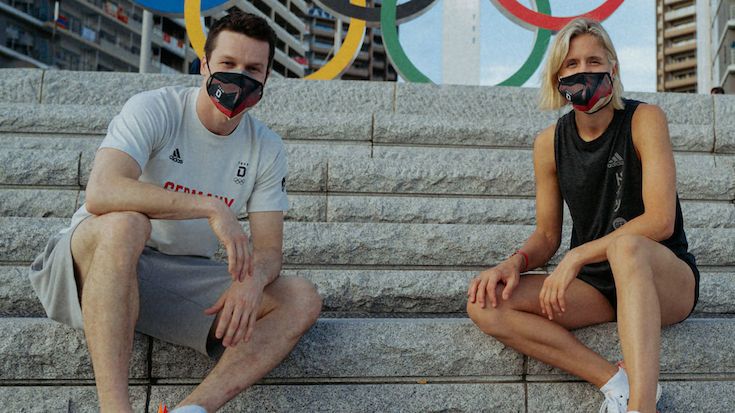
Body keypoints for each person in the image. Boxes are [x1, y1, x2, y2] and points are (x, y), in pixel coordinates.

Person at [29, 11, 322, 413]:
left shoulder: (265, 147)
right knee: (127, 224)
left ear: (268, 75)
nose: (240, 77)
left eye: (253, 68)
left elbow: (270, 250)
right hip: (88, 263)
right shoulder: (156, 108)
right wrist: (210, 206)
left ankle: (192, 409)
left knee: (300, 298)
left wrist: (251, 283)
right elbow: (102, 191)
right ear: (204, 65)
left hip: (173, 278)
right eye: (228, 64)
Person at [466, 18, 698, 413]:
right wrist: (513, 262)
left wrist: (576, 256)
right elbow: (547, 236)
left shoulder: (645, 119)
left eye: (593, 61)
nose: (583, 72)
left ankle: (643, 408)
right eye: (571, 64)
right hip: (597, 286)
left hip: (662, 278)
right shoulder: (548, 144)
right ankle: (614, 380)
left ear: (613, 68)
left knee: (626, 248)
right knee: (485, 303)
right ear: (558, 76)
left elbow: (661, 221)